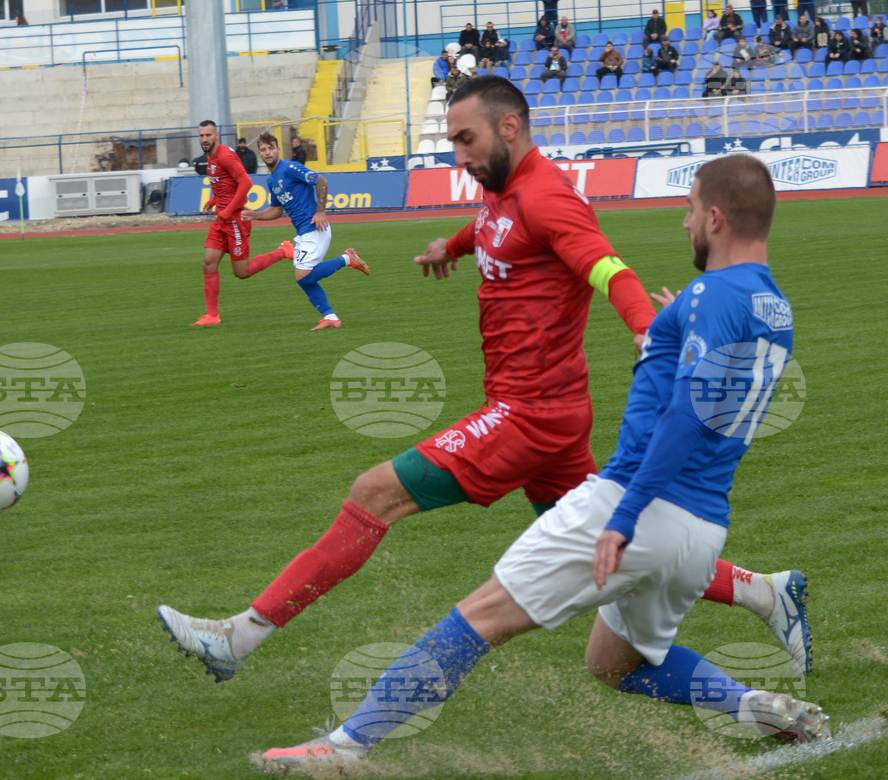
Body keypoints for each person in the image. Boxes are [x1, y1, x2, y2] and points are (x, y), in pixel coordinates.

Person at [157, 77, 812, 688]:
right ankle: (763, 592)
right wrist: (452, 246)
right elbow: (495, 224)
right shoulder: (504, 186)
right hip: (554, 414)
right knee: (611, 549)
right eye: (452, 141)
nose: (459, 154)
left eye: (466, 139)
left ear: (510, 128)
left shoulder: (550, 196)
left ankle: (239, 638)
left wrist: (646, 332)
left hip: (528, 414)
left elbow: (610, 270)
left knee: (374, 493)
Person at [259, 154, 829, 773]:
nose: (684, 222)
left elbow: (685, 418)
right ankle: (759, 709)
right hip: (703, 528)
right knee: (612, 663)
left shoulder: (708, 296)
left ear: (715, 218)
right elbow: (708, 385)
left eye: (690, 210)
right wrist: (668, 334)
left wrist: (623, 516)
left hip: (635, 505)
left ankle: (344, 748)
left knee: (478, 618)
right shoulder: (772, 306)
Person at [236, 132, 369, 331]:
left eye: (271, 148)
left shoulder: (290, 168)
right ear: (260, 154)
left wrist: (320, 211)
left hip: (315, 227)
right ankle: (330, 317)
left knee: (304, 276)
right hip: (305, 232)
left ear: (278, 149)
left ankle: (347, 258)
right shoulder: (271, 180)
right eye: (263, 150)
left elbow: (321, 181)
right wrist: (254, 215)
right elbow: (277, 210)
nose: (268, 152)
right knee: (304, 279)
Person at [188, 120, 257, 328]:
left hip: (234, 219)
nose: (204, 139)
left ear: (217, 136)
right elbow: (224, 184)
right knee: (208, 263)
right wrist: (213, 201)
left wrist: (227, 211)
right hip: (222, 219)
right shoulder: (210, 157)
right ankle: (212, 316)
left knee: (241, 272)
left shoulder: (225, 155)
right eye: (201, 135)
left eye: (208, 135)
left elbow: (246, 183)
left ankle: (283, 251)